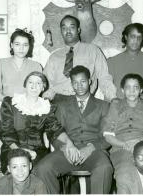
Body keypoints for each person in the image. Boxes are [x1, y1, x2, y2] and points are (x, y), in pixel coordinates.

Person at [35, 66, 113, 194]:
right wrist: (64, 148)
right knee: (43, 168)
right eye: (75, 83)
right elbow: (54, 133)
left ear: (90, 81)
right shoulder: (62, 105)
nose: (79, 86)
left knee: (105, 168)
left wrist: (91, 148)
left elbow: (108, 136)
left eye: (82, 81)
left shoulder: (104, 106)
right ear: (71, 84)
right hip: (68, 151)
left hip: (94, 151)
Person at [0, 71, 79, 174]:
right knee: (20, 168)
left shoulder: (46, 107)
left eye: (38, 83)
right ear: (25, 85)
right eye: (30, 82)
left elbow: (55, 129)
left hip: (38, 152)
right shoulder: (10, 103)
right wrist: (20, 151)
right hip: (13, 149)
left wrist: (69, 143)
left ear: (43, 88)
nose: (34, 86)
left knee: (45, 172)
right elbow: (6, 132)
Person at [103, 73, 143, 194]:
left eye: (135, 87)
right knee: (126, 171)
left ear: (141, 90)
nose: (131, 91)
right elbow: (108, 134)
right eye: (128, 87)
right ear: (122, 90)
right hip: (121, 149)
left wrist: (138, 142)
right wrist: (124, 144)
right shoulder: (115, 106)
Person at [43, 15, 116, 102]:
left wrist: (112, 98)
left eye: (72, 27)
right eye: (64, 28)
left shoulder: (93, 50)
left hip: (85, 101)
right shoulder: (54, 57)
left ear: (78, 30)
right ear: (61, 31)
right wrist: (45, 101)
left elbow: (104, 78)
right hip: (59, 102)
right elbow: (46, 82)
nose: (68, 31)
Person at [107, 23, 143, 109]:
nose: (136, 40)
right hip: (120, 113)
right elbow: (108, 91)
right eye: (133, 36)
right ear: (126, 37)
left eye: (139, 37)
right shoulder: (112, 62)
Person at [0, 28, 42, 102]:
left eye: (25, 45)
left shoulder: (36, 66)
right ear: (11, 45)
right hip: (7, 107)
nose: (21, 48)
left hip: (29, 107)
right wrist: (8, 101)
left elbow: (38, 91)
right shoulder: (0, 63)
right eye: (17, 44)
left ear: (29, 47)